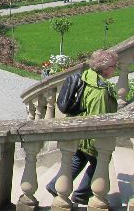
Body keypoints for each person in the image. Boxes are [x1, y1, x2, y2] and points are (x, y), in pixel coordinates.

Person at [46, 49, 118, 205]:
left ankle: (54, 185)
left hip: (78, 132)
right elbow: (99, 119)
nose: (116, 68)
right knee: (100, 161)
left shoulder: (87, 76)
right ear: (105, 68)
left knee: (77, 159)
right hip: (89, 136)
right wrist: (97, 143)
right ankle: (81, 194)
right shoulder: (100, 89)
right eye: (114, 65)